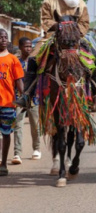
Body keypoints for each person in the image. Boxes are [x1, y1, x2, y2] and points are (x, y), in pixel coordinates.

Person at [14, 0, 96, 110]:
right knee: (33, 58)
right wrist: (60, 28)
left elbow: (84, 23)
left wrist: (74, 33)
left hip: (76, 39)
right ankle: (27, 95)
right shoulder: (49, 1)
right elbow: (45, 21)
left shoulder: (81, 3)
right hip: (53, 37)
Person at [12, 37, 41, 165]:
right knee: (18, 125)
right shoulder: (16, 62)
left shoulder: (35, 62)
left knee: (35, 124)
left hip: (33, 98)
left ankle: (36, 149)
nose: (28, 49)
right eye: (26, 46)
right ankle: (17, 153)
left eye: (30, 46)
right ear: (20, 47)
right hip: (19, 98)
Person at [0, 29, 25, 176]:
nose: (3, 39)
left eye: (5, 37)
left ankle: (3, 164)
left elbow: (19, 81)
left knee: (6, 133)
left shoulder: (13, 60)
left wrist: (24, 96)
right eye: (0, 37)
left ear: (8, 41)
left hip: (8, 103)